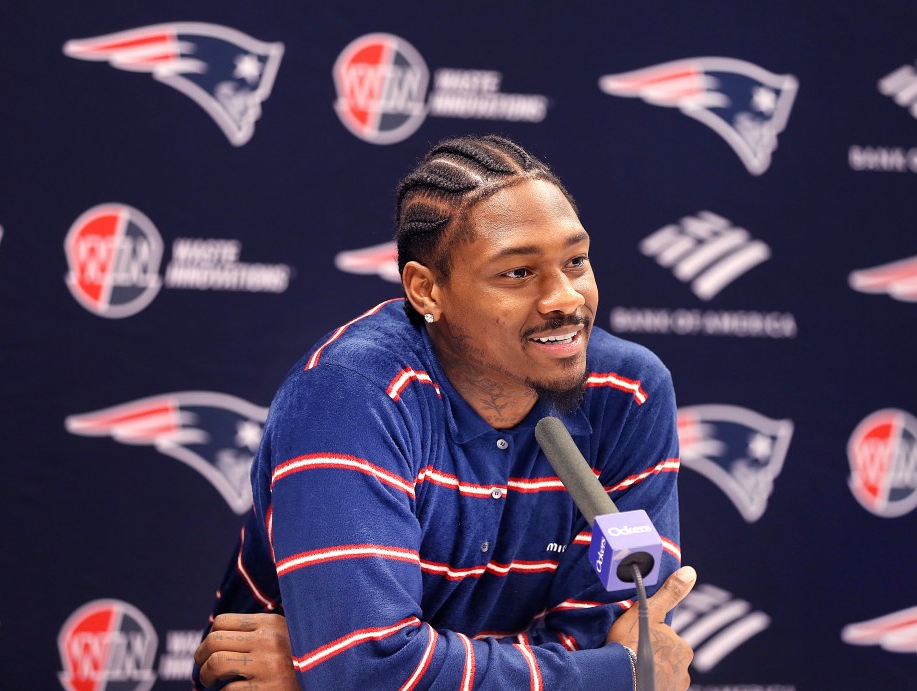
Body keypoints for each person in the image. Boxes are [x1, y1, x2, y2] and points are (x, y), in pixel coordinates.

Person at [193, 134, 695, 690]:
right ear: (426, 290)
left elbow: (601, 630)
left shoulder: (629, 391)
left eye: (575, 261)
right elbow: (371, 670)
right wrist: (614, 678)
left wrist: (356, 669)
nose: (567, 298)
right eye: (518, 273)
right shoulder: (351, 394)